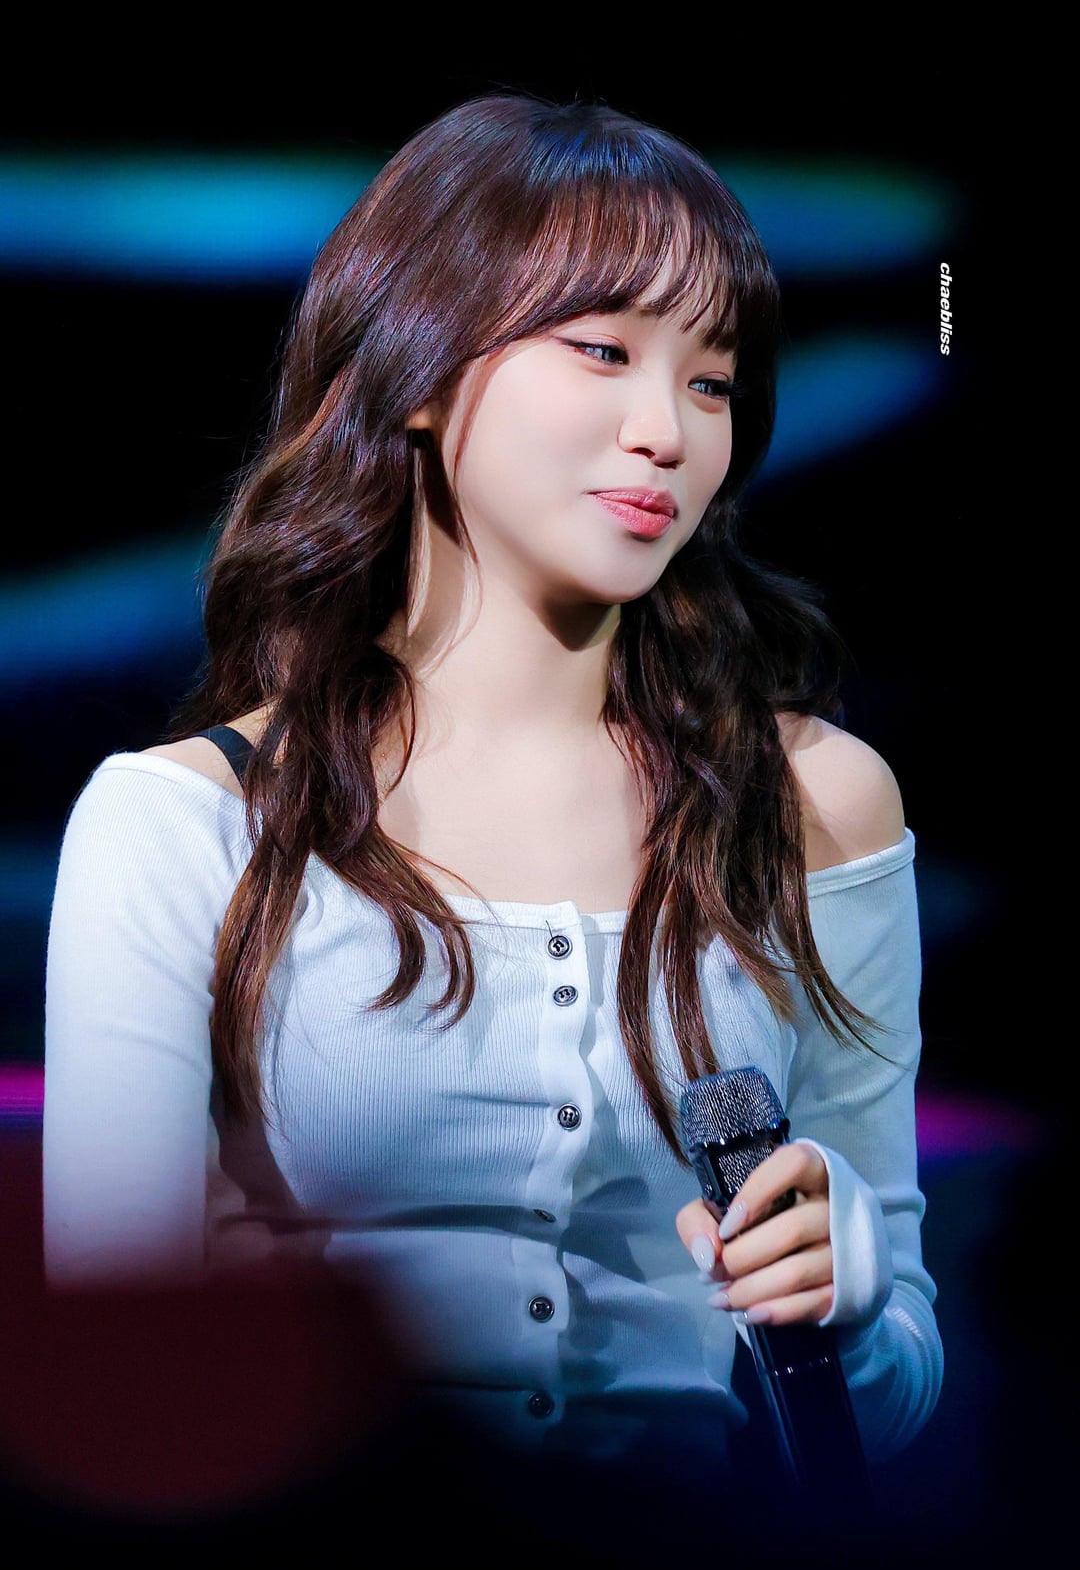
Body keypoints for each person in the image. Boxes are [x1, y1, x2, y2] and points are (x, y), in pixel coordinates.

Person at [42, 93, 942, 1551]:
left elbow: (896, 1393)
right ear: (417, 365)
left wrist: (846, 1308)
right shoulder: (184, 826)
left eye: (713, 382)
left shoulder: (817, 804)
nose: (664, 431)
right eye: (603, 351)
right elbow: (110, 1377)